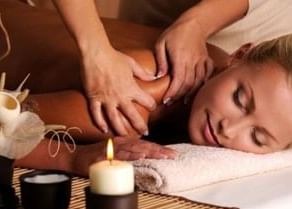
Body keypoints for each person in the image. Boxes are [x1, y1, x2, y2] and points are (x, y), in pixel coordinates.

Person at [46, 0, 250, 137]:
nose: (228, 130)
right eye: (239, 98)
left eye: (257, 137)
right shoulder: (139, 99)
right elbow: (16, 124)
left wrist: (196, 24)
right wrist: (96, 51)